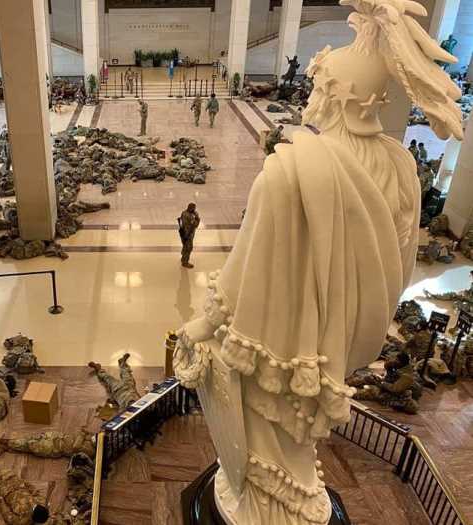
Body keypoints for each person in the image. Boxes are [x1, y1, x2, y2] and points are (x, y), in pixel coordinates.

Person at [172, 0, 462, 521]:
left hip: (276, 339)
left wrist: (202, 323)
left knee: (268, 429)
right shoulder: (398, 167)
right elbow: (394, 266)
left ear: (331, 95)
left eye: (317, 85)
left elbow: (246, 271)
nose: (309, 97)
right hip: (338, 338)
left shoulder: (290, 172)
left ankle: (264, 506)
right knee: (297, 436)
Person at [178, 202, 200, 268]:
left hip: (183, 233)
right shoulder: (190, 216)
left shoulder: (184, 212)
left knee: (185, 246)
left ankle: (183, 257)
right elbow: (195, 225)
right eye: (194, 208)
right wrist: (197, 218)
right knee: (189, 248)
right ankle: (185, 262)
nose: (195, 210)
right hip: (188, 235)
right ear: (191, 208)